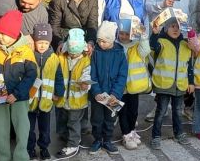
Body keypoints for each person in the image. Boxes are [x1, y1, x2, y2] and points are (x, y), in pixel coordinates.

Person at [145, 0, 199, 121]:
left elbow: (195, 9)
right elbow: (148, 7)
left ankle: (186, 106)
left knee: (185, 67)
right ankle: (160, 106)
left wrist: (193, 32)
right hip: (162, 34)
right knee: (162, 69)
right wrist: (162, 4)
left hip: (183, 33)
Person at [0, 10, 38, 161]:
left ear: (14, 34)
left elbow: (31, 75)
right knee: (0, 129)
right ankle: (3, 157)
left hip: (20, 98)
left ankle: (21, 156)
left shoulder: (26, 51)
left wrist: (17, 94)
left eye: (4, 34)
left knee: (22, 128)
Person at [47, 0, 98, 135]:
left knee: (81, 85)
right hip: (65, 46)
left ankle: (82, 125)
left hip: (82, 48)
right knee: (63, 84)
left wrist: (90, 41)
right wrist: (61, 42)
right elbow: (54, 25)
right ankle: (62, 129)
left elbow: (92, 24)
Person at [149, 19, 194, 150]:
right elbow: (152, 46)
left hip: (180, 85)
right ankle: (156, 136)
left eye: (178, 27)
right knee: (161, 111)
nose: (175, 29)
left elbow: (189, 65)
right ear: (166, 28)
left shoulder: (186, 44)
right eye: (172, 26)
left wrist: (191, 82)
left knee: (178, 111)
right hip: (163, 84)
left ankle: (179, 133)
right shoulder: (161, 42)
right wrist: (154, 34)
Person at [89, 22, 128, 155]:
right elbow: (91, 74)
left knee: (110, 118)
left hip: (112, 95)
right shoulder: (95, 53)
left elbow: (122, 75)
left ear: (111, 40)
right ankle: (97, 140)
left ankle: (107, 140)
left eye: (104, 41)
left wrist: (116, 93)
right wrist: (96, 92)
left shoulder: (119, 53)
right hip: (98, 95)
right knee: (96, 118)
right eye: (99, 41)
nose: (101, 44)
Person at [116, 18, 151, 150]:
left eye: (127, 33)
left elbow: (146, 51)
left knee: (133, 112)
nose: (124, 36)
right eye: (121, 33)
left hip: (133, 87)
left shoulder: (137, 45)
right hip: (120, 87)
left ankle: (131, 131)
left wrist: (143, 35)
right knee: (122, 111)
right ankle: (126, 134)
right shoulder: (115, 45)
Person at [55, 28, 90, 157]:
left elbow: (87, 75)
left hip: (77, 99)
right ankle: (66, 136)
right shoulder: (61, 57)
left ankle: (73, 144)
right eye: (70, 52)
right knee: (63, 119)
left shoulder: (86, 61)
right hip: (63, 98)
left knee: (73, 122)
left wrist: (85, 84)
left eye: (76, 53)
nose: (72, 55)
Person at [27, 23, 61, 160]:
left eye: (45, 43)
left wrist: (58, 92)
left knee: (45, 129)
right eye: (39, 42)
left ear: (50, 42)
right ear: (34, 42)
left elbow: (59, 77)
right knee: (29, 129)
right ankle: (30, 149)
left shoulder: (54, 59)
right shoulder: (28, 56)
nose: (42, 45)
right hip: (30, 101)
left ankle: (44, 148)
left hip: (46, 101)